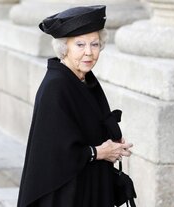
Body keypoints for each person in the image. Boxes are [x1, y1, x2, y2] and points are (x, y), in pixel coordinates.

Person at [17, 5, 133, 207]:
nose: (89, 52)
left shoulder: (83, 79)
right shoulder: (56, 85)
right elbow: (53, 150)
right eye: (80, 45)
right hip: (67, 194)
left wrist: (113, 141)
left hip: (88, 186)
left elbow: (85, 127)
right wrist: (99, 152)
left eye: (95, 44)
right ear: (64, 48)